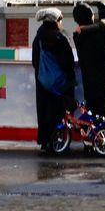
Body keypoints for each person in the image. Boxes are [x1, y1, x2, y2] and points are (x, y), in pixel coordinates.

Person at [72, 3, 105, 129]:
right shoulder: (97, 34)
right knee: (102, 115)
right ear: (91, 16)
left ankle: (89, 143)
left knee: (92, 111)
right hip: (103, 81)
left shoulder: (78, 35)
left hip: (89, 81)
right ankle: (100, 144)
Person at [32, 8, 75, 154]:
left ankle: (46, 141)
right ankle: (59, 142)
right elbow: (68, 62)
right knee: (59, 112)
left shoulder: (38, 38)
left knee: (44, 112)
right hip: (60, 84)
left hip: (43, 83)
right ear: (55, 21)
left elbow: (35, 61)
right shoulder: (61, 38)